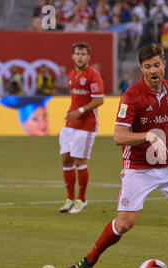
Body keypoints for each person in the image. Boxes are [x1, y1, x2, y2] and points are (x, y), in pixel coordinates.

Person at [67, 43, 168, 268]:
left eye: (157, 64)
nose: (153, 69)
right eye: (148, 66)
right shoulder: (131, 96)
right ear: (142, 68)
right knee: (124, 224)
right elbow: (119, 137)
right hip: (138, 167)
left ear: (164, 64)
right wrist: (148, 135)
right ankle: (89, 259)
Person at [58, 42, 104, 214]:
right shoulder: (71, 75)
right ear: (72, 56)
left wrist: (81, 111)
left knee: (79, 161)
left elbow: (99, 100)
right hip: (71, 123)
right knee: (66, 159)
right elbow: (75, 99)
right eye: (77, 54)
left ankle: (82, 200)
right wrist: (73, 111)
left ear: (88, 57)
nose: (80, 57)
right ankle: (70, 199)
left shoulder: (93, 75)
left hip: (87, 125)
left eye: (83, 54)